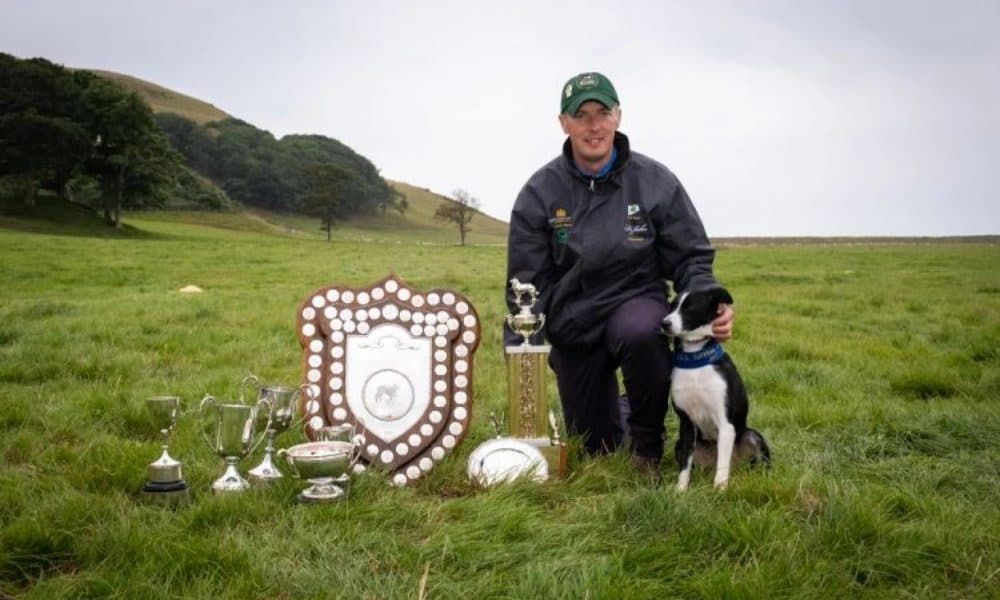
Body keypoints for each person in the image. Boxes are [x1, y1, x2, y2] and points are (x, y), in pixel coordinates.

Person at [505, 72, 734, 474]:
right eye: (582, 115)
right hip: (574, 319)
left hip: (635, 302)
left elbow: (692, 258)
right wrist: (521, 349)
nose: (594, 126)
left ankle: (647, 445)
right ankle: (619, 411)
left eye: (603, 113)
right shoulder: (539, 192)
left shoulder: (655, 181)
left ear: (618, 116)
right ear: (564, 123)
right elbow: (525, 284)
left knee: (643, 332)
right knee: (598, 449)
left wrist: (709, 301)